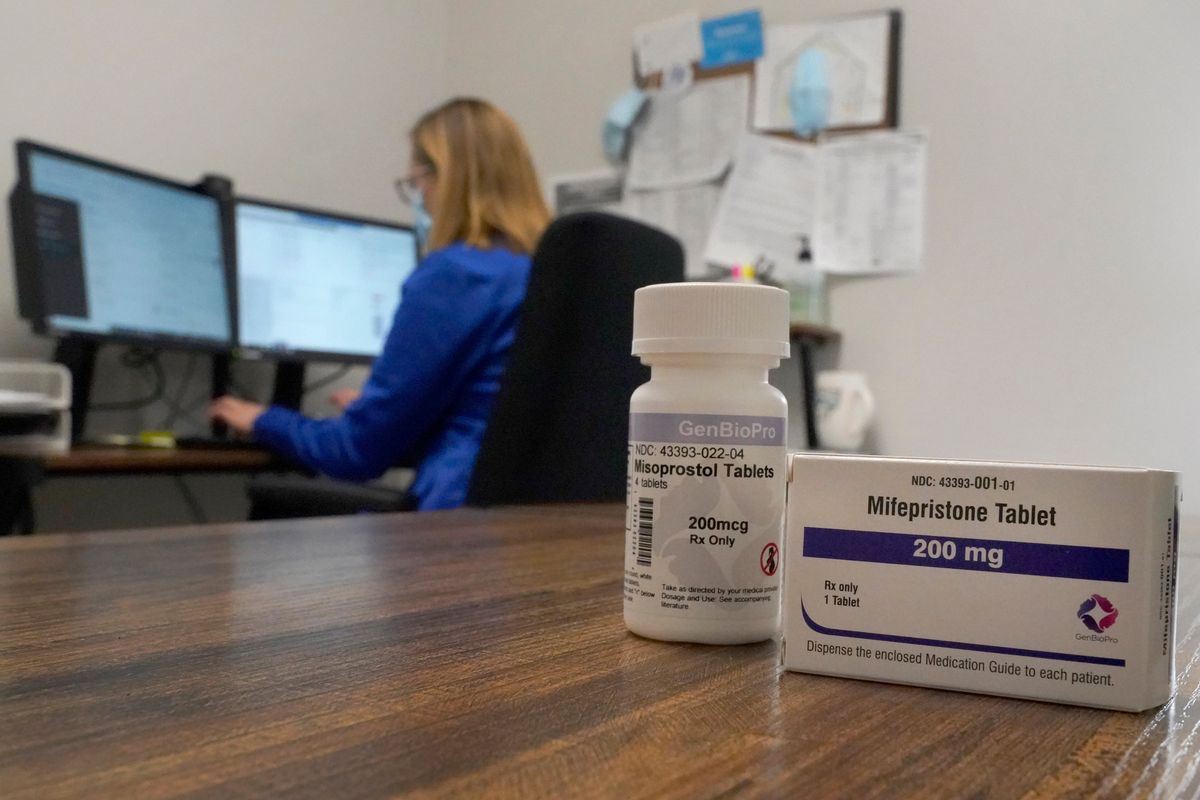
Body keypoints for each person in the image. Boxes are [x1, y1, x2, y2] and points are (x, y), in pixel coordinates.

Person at [210, 98, 551, 510]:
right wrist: (385, 413)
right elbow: (493, 419)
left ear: (449, 178)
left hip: (458, 531)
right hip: (540, 529)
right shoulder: (545, 271)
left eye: (418, 183)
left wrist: (263, 419)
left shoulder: (457, 274)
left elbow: (356, 453)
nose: (421, 201)